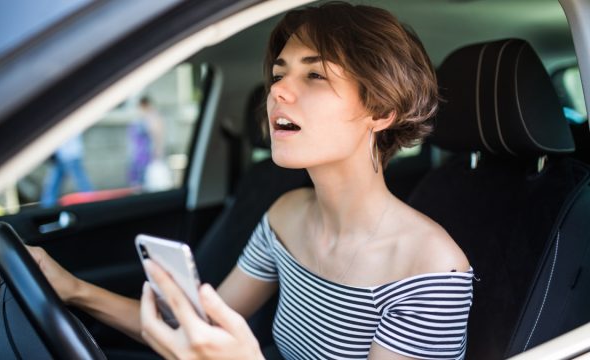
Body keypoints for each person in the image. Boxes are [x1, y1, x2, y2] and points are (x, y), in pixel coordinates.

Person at [29, 3, 474, 359]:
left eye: (314, 74)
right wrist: (74, 290)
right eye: (280, 74)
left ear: (380, 112)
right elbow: (197, 329)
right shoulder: (286, 215)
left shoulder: (429, 270)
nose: (277, 90)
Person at [40, 134, 93, 207]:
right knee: (53, 183)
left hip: (69, 154)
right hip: (62, 155)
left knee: (81, 181)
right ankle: (48, 205)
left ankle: (90, 201)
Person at [128, 96, 166, 189]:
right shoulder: (144, 118)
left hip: (146, 155)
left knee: (146, 180)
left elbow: (157, 135)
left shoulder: (152, 117)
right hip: (140, 155)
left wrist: (157, 151)